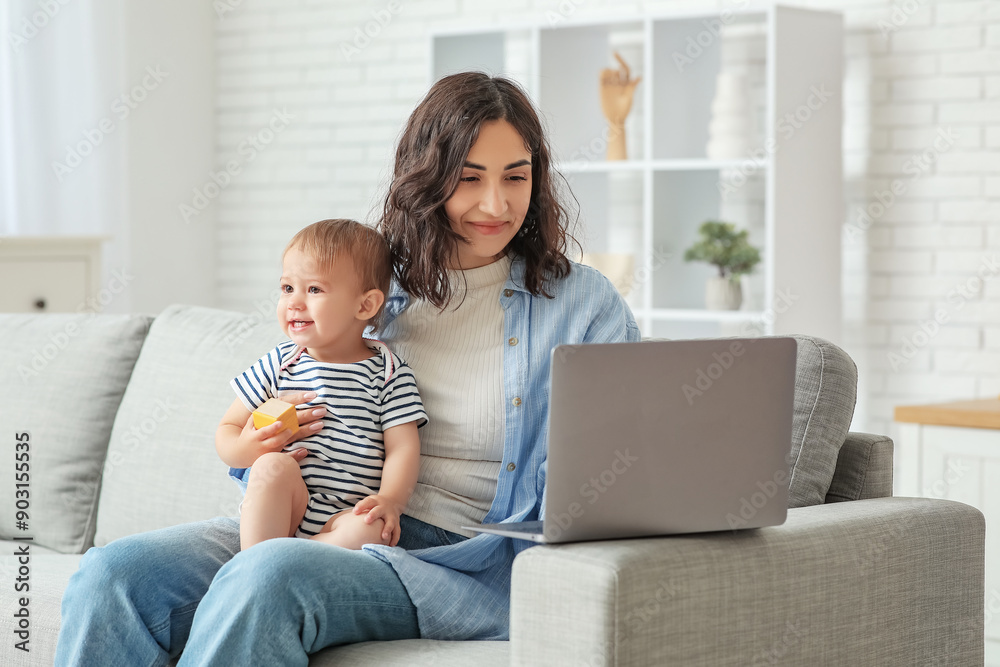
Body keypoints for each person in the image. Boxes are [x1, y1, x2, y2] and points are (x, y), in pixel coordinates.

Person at [55, 72, 639, 665]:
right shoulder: (371, 284)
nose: (496, 204)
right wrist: (267, 443)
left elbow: (629, 454)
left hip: (461, 557)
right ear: (429, 180)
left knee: (269, 578)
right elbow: (292, 382)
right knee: (113, 574)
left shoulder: (582, 304)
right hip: (319, 516)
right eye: (469, 179)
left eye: (516, 176)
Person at [218, 219, 427, 551]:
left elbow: (402, 448)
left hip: (344, 515)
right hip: (286, 505)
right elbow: (228, 429)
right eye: (288, 288)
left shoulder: (389, 373)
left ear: (365, 305)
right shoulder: (281, 362)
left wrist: (390, 500)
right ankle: (256, 565)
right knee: (272, 466)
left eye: (313, 289)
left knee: (372, 531)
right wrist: (249, 448)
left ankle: (294, 559)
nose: (294, 302)